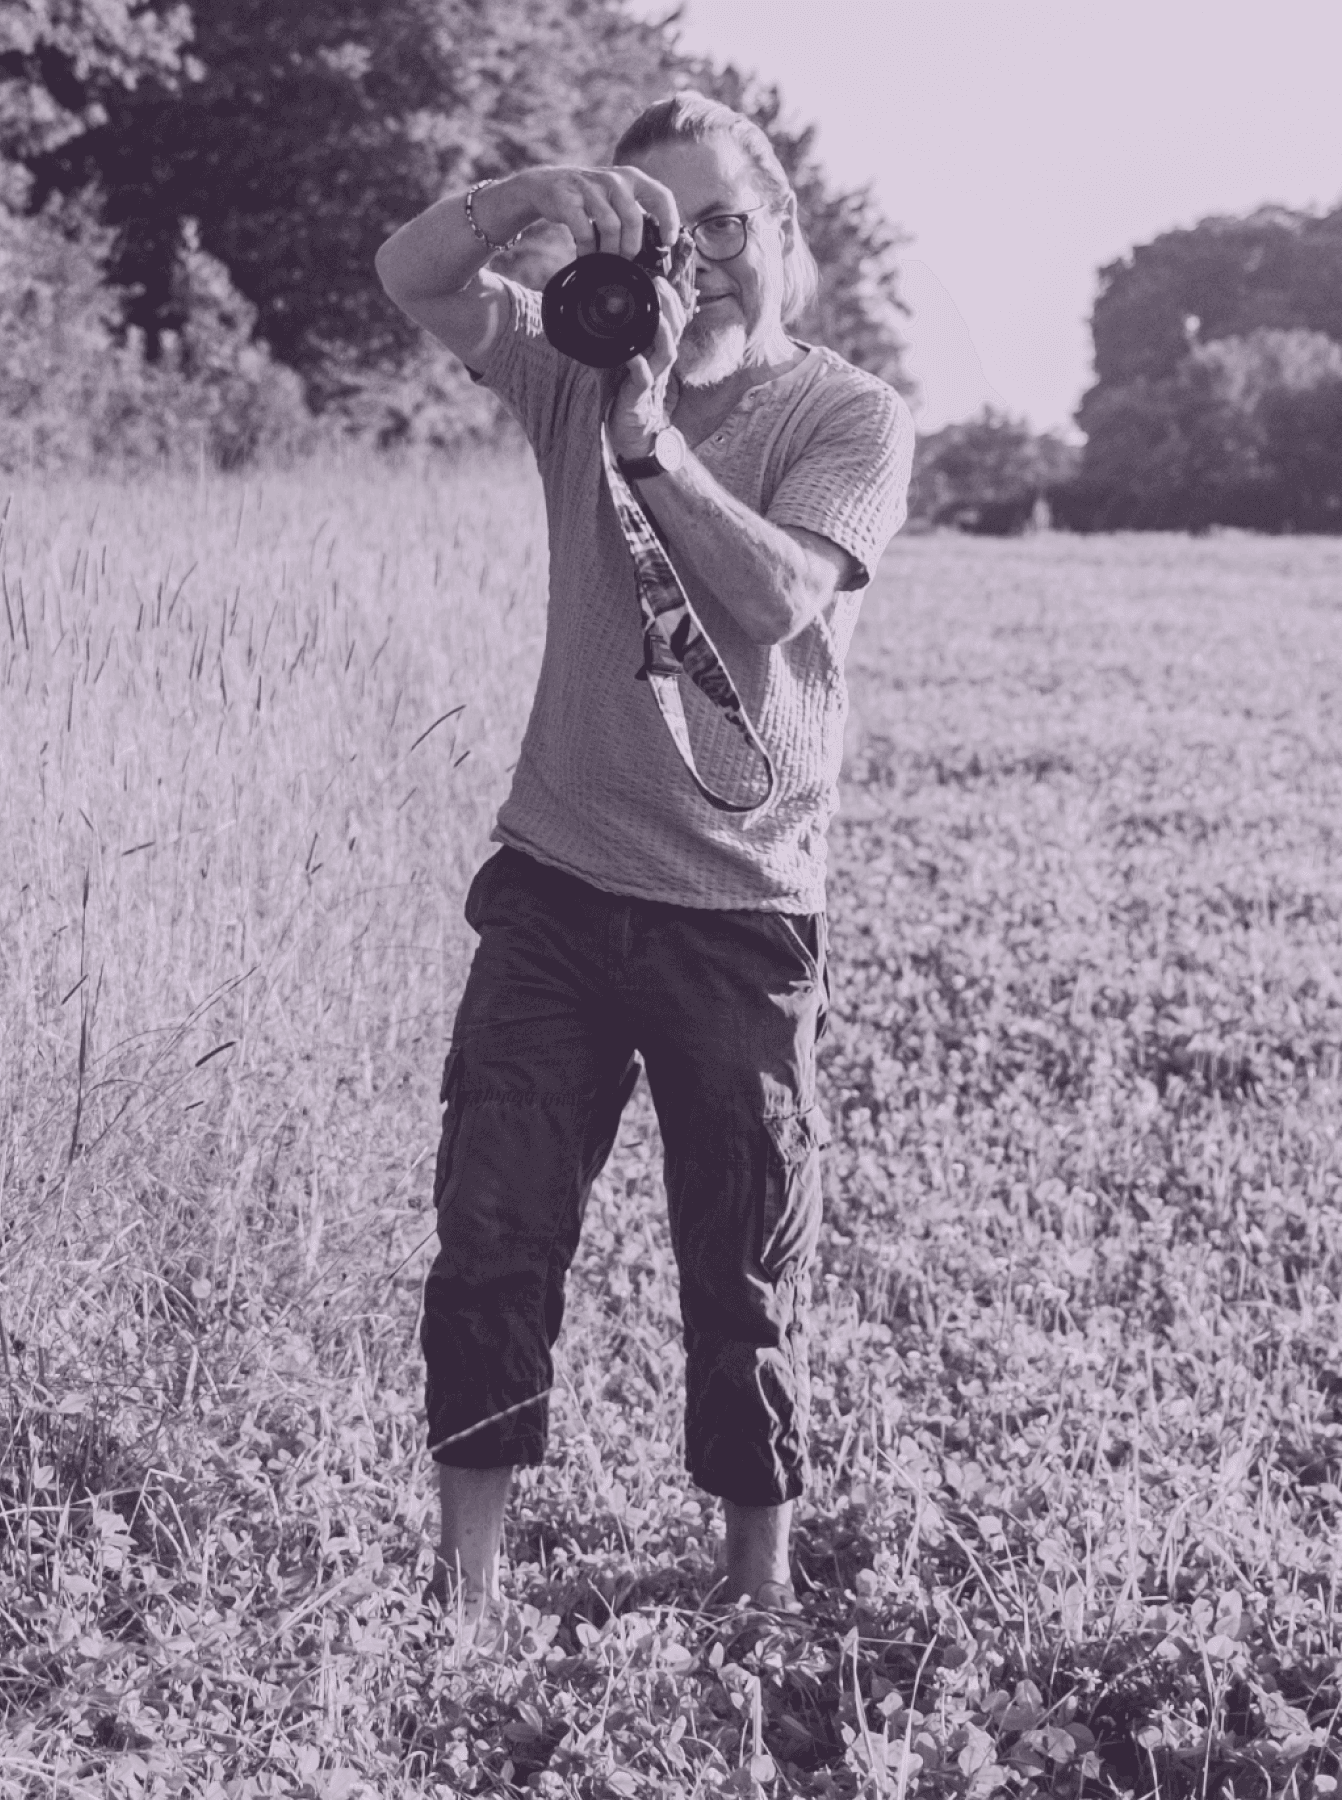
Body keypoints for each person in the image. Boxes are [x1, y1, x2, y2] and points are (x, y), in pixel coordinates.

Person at [373, 91, 913, 1617]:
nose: (709, 264)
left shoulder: (846, 415)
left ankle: (756, 1587)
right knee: (493, 1238)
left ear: (786, 237)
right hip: (553, 887)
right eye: (673, 238)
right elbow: (411, 276)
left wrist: (655, 441)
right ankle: (464, 1595)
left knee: (740, 1271)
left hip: (739, 912)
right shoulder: (566, 371)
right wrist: (533, 192)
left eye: (729, 225)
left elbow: (781, 602)